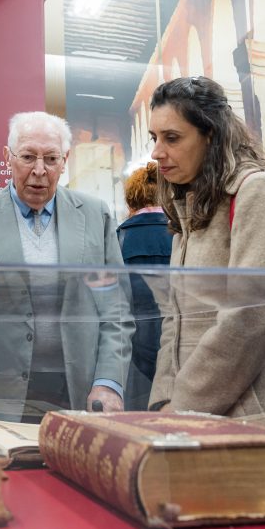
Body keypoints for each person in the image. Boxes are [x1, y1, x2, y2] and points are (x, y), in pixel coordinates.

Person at [146, 76, 265, 433]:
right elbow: (174, 317)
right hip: (198, 414)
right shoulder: (189, 203)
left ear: (210, 135)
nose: (157, 152)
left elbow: (251, 319)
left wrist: (184, 405)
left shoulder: (256, 192)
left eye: (172, 138)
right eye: (154, 138)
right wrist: (164, 397)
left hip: (262, 413)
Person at [0, 111, 132, 421]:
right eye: (28, 157)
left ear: (65, 160)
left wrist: (108, 383)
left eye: (51, 159)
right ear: (7, 156)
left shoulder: (96, 216)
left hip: (78, 388)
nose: (39, 171)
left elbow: (116, 311)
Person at [117, 162, 173, 410]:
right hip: (178, 353)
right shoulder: (183, 236)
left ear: (131, 200)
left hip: (132, 356)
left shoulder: (116, 239)